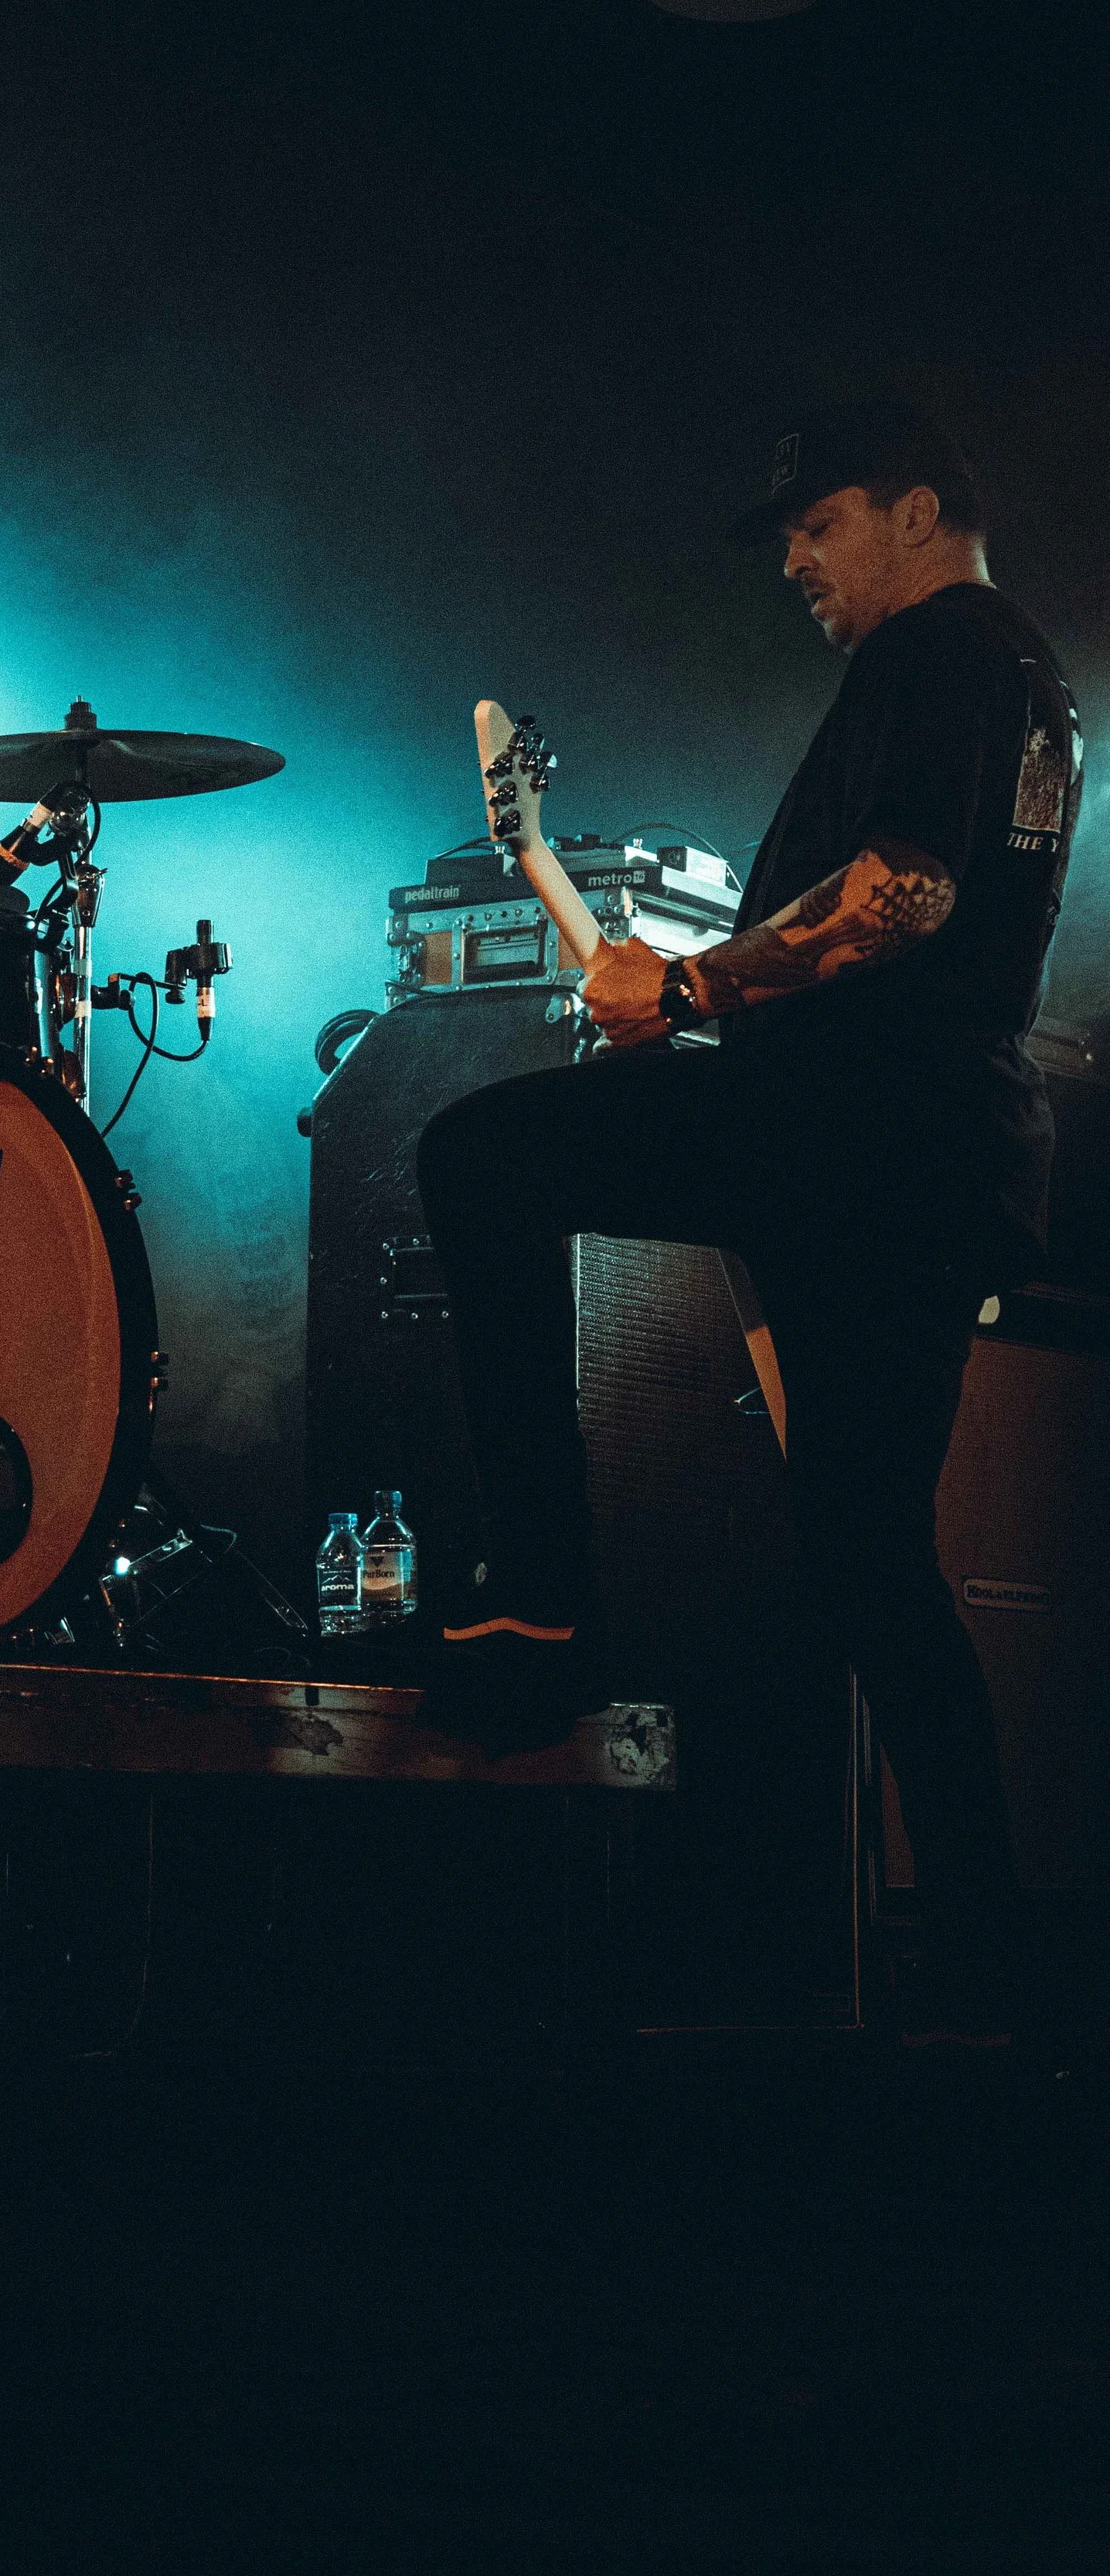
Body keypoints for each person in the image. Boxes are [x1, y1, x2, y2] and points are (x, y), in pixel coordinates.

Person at [416, 397, 1082, 2041]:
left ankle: (544, 1599)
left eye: (817, 520)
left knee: (477, 1158)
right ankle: (998, 1969)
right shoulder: (1029, 681)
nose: (790, 554)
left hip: (849, 1132)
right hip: (934, 1158)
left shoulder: (935, 650)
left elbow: (903, 896)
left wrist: (697, 976)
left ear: (917, 508)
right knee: (868, 1564)